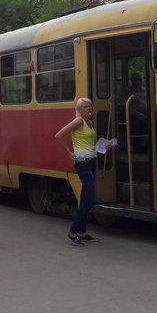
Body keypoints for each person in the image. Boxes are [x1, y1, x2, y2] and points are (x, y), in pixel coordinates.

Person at [55, 97, 104, 246]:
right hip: (82, 163)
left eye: (90, 106)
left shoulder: (89, 123)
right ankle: (73, 231)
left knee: (84, 199)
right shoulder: (78, 121)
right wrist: (70, 154)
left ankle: (82, 232)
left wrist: (103, 147)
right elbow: (58, 135)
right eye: (85, 107)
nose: (89, 109)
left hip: (91, 161)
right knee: (91, 200)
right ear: (79, 110)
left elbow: (88, 143)